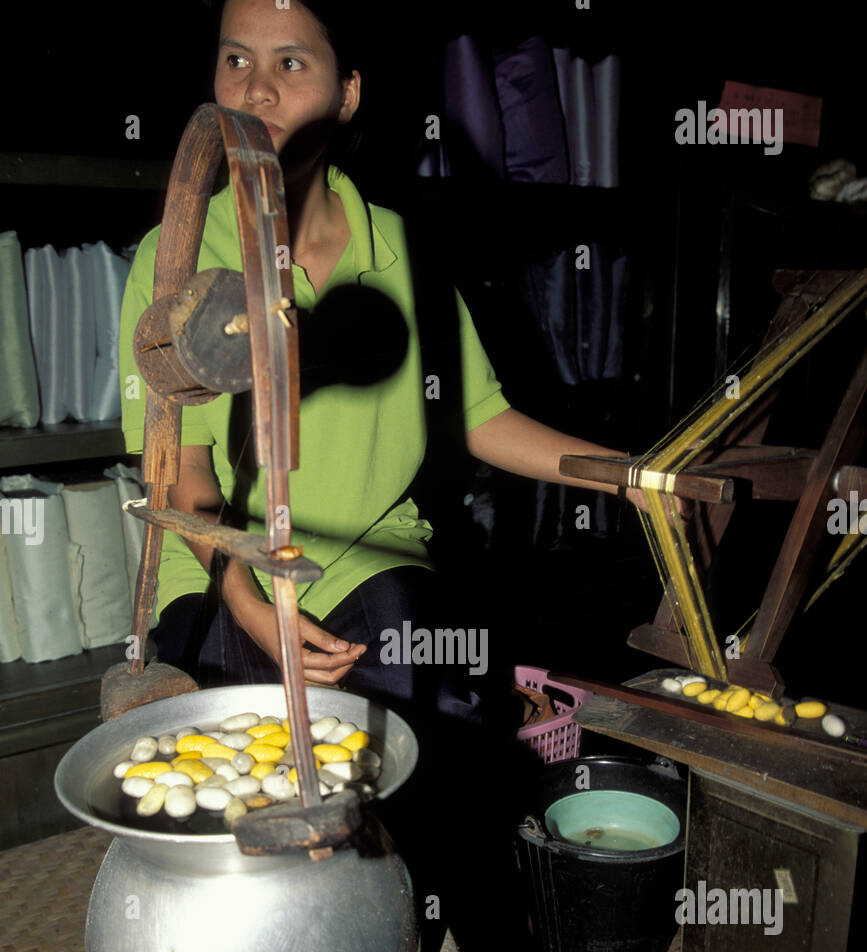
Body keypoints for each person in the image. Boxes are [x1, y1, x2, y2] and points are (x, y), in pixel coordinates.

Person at [119, 0, 639, 712]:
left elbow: (475, 417)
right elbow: (183, 467)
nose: (256, 89)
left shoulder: (403, 249)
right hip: (218, 564)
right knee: (225, 731)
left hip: (364, 551)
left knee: (416, 692)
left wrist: (631, 478)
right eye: (235, 59)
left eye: (291, 63)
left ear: (347, 93)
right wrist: (245, 598)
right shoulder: (176, 258)